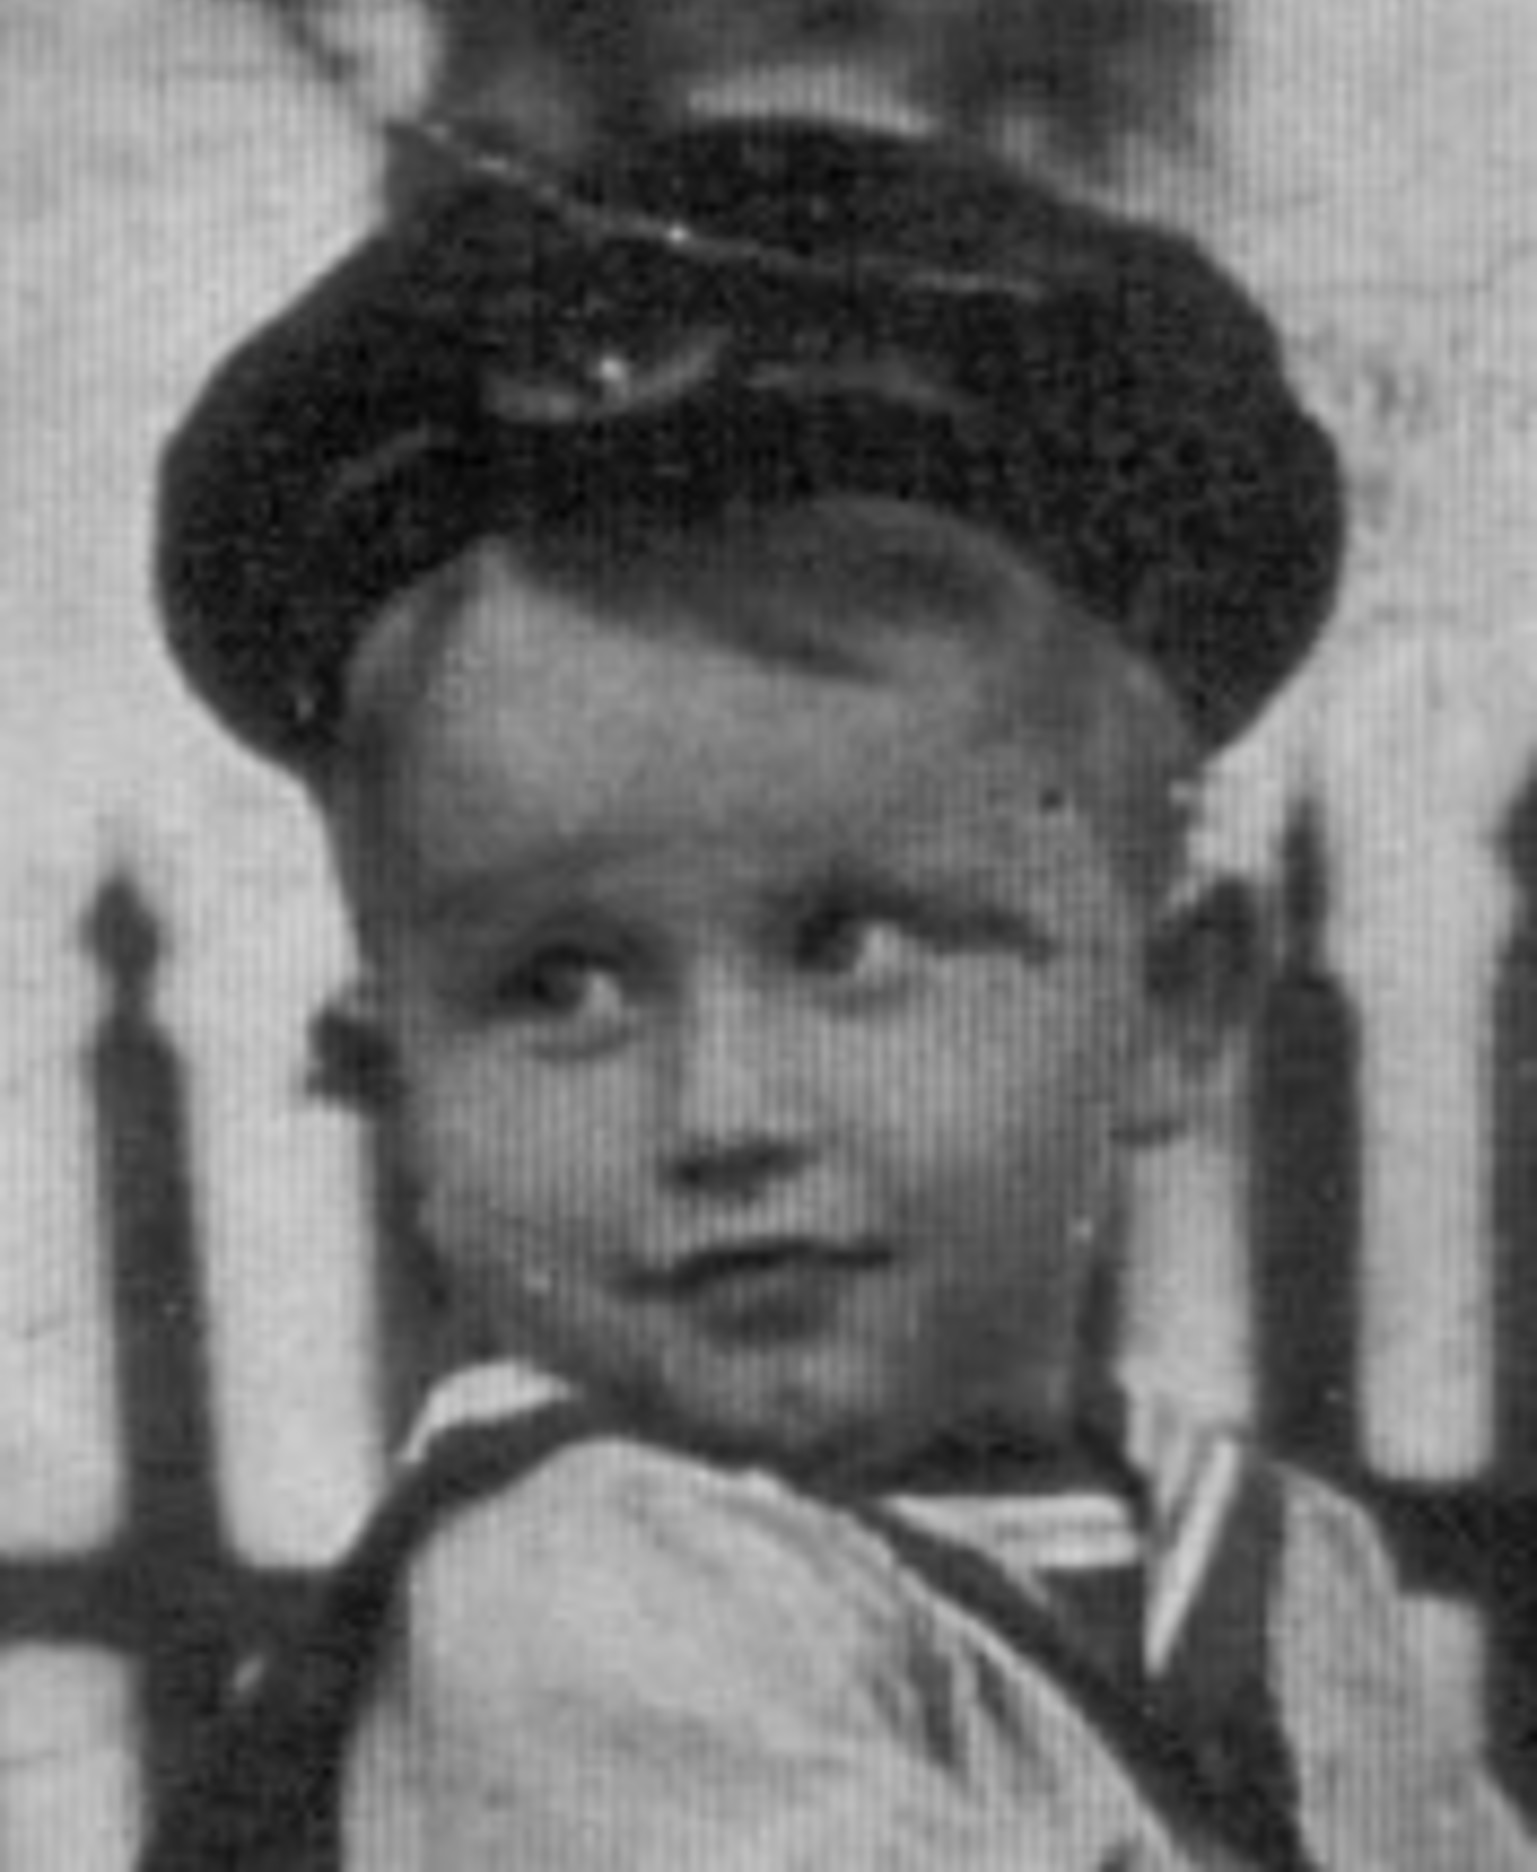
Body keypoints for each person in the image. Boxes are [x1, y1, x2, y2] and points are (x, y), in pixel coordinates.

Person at [142, 118, 1534, 1869]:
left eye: (849, 947)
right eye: (558, 986)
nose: (720, 1114)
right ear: (395, 1082)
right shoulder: (592, 1594)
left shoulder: (1270, 1571)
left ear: (1170, 1009)